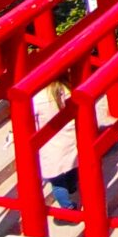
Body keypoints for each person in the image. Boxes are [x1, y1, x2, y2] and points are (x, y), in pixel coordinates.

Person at [36, 80, 81, 210]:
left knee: (57, 181)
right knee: (71, 165)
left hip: (49, 144)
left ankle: (67, 207)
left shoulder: (37, 98)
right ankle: (72, 187)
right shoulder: (66, 89)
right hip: (69, 137)